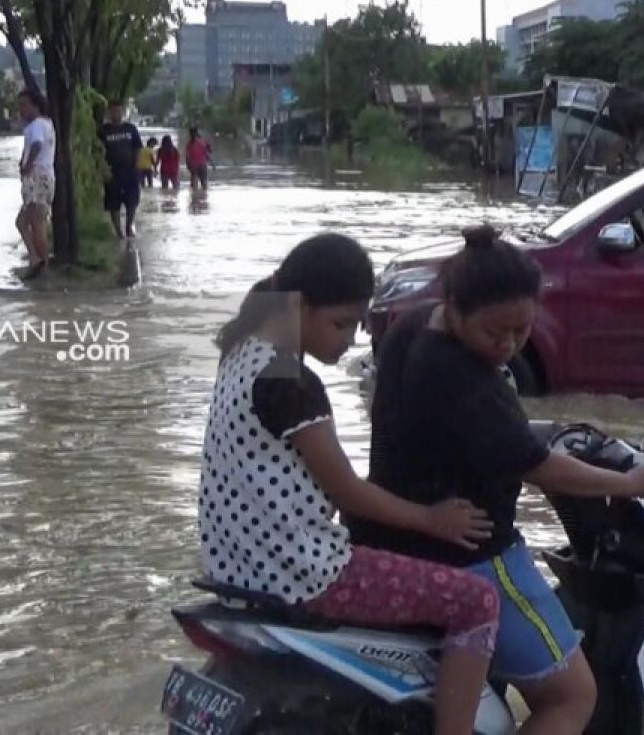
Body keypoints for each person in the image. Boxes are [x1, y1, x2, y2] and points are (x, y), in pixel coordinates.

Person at [352, 225, 644, 734]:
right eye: (494, 332)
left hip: (392, 540)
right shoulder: (464, 375)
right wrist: (629, 483)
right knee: (572, 694)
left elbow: (471, 433)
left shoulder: (411, 329)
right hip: (472, 554)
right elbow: (540, 467)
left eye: (521, 332)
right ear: (454, 308)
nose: (507, 346)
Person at [201, 233, 500, 735]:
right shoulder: (290, 381)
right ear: (297, 305)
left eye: (359, 325)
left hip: (236, 573)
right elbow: (347, 492)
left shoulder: (239, 353)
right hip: (302, 573)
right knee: (477, 603)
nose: (350, 340)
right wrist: (432, 519)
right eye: (340, 323)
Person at [15, 88, 55, 280]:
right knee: (23, 222)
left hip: (37, 176)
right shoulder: (46, 124)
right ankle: (36, 259)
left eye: (24, 105)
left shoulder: (37, 125)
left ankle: (43, 265)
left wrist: (27, 166)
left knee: (35, 223)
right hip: (43, 176)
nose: (21, 110)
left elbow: (37, 145)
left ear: (35, 106)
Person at [98, 100, 142, 239]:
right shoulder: (103, 130)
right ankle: (119, 232)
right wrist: (103, 170)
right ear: (109, 113)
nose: (116, 114)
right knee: (113, 203)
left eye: (119, 111)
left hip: (130, 171)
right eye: (113, 111)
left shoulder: (131, 129)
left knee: (132, 201)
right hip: (112, 172)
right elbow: (97, 151)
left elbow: (138, 148)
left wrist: (138, 166)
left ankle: (129, 225)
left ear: (123, 112)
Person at [186, 126, 211, 191]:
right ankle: (204, 198)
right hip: (202, 164)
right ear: (197, 132)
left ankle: (195, 198)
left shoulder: (189, 144)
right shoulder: (202, 142)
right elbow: (207, 153)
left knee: (194, 183)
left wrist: (188, 165)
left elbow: (187, 156)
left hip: (193, 165)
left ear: (189, 133)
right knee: (204, 183)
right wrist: (211, 162)